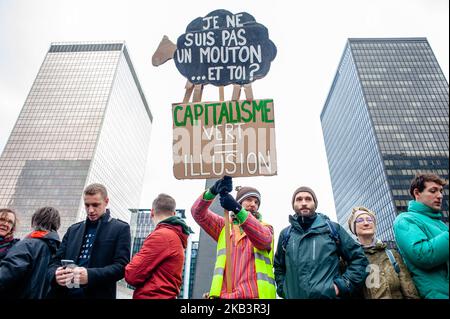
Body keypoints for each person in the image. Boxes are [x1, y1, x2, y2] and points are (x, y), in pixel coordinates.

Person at [274, 186, 368, 299]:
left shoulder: (333, 229)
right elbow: (279, 266)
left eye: (308, 199)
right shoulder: (286, 234)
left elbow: (359, 258)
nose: (304, 203)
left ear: (315, 204)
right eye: (299, 199)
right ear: (293, 204)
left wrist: (342, 285)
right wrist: (283, 289)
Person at [191, 176, 276, 299]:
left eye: (256, 202)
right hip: (225, 296)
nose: (253, 204)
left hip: (255, 297)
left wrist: (237, 209)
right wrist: (213, 191)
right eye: (249, 200)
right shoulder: (224, 226)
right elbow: (197, 212)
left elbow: (263, 240)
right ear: (240, 201)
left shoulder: (266, 228)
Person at [49, 183, 131, 299]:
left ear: (106, 201)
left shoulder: (120, 228)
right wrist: (55, 274)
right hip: (64, 294)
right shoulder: (73, 230)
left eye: (95, 205)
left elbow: (122, 267)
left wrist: (90, 275)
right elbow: (54, 262)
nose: (90, 210)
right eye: (87, 205)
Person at [125, 193, 193, 299]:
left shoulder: (161, 236)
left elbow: (132, 275)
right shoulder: (176, 237)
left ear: (152, 212)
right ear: (174, 213)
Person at [393, 173, 448, 299]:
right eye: (433, 191)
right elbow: (423, 255)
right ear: (417, 193)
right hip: (436, 295)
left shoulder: (440, 224)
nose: (440, 196)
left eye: (440, 191)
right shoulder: (404, 220)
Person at [348, 206, 419, 299]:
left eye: (369, 219)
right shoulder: (349, 259)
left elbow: (410, 292)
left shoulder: (392, 255)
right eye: (360, 220)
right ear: (353, 228)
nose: (366, 223)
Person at [0, 206, 61, 298]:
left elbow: (8, 273)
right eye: (2, 219)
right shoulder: (58, 250)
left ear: (35, 221)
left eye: (10, 222)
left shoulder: (26, 244)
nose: (5, 224)